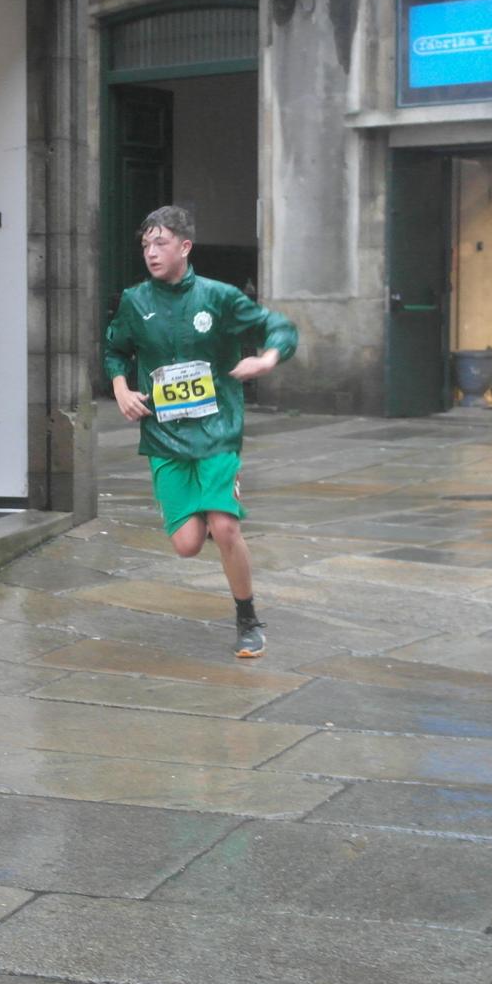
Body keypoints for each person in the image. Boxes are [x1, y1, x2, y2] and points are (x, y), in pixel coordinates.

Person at [104, 205, 296, 658]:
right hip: (164, 435)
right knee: (187, 545)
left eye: (161, 243)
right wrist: (120, 389)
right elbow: (115, 350)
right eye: (146, 244)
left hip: (217, 430)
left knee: (226, 527)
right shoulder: (135, 301)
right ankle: (212, 510)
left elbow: (278, 327)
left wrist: (266, 359)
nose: (151, 252)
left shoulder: (219, 297)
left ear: (185, 247)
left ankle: (247, 617)